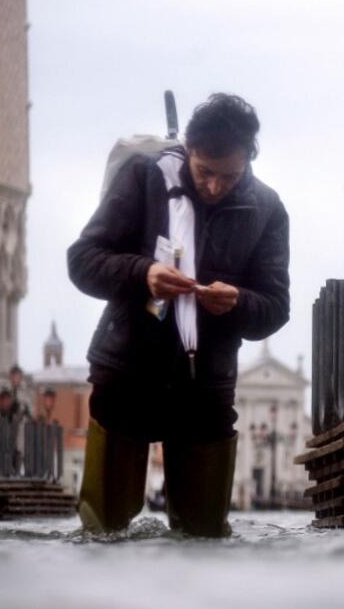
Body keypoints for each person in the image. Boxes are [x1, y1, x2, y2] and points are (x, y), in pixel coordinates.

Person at [68, 93, 290, 536]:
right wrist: (142, 272)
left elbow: (275, 307)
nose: (213, 186)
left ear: (248, 158)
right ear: (189, 148)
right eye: (204, 171)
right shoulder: (142, 178)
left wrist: (238, 303)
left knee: (205, 536)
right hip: (126, 373)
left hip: (205, 390)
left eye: (228, 175)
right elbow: (83, 261)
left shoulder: (266, 208)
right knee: (102, 532)